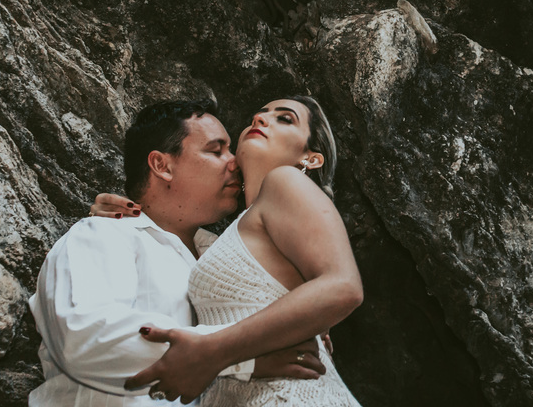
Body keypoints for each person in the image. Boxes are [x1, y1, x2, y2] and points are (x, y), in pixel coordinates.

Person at [28, 99, 327, 406]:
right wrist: (240, 357)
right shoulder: (104, 234)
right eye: (215, 150)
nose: (234, 161)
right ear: (162, 166)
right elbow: (85, 338)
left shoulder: (225, 258)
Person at [100, 97, 365, 406]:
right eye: (260, 113)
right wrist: (133, 213)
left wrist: (215, 351)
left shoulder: (285, 180)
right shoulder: (219, 239)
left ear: (311, 158)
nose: (260, 119)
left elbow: (343, 287)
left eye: (285, 119)